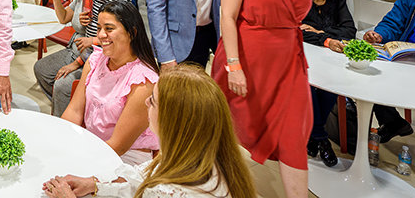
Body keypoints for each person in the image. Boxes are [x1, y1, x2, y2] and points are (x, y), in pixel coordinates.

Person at [212, 0, 312, 198]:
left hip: (289, 65)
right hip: (246, 59)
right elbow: (228, 16)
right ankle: (215, 187)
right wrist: (234, 66)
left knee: (294, 135)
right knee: (228, 130)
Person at [42, 65, 256, 198]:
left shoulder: (171, 191)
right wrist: (95, 185)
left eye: (152, 101)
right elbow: (141, 179)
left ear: (170, 122)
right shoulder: (203, 156)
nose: (146, 102)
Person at [40, 0, 136, 116]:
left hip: (102, 58)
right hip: (85, 53)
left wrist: (88, 44)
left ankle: (68, 118)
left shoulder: (120, 0)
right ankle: (72, 108)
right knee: (42, 69)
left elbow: (118, 40)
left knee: (62, 85)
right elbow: (66, 18)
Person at [61, 1, 159, 165]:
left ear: (132, 32)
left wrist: (79, 160)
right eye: (99, 28)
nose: (100, 35)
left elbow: (118, 146)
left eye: (109, 29)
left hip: (126, 157)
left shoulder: (143, 82)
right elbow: (75, 110)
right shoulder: (95, 60)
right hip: (92, 143)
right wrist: (61, 139)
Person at [362, 0, 415, 143]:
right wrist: (379, 35)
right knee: (369, 73)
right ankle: (392, 122)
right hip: (406, 58)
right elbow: (392, 23)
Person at [301, 0, 356, 167]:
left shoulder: (338, 1)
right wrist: (326, 39)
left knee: (331, 86)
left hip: (331, 61)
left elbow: (349, 31)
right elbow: (298, 32)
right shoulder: (302, 1)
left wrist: (320, 32)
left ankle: (314, 136)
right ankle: (321, 137)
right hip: (306, 60)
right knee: (308, 86)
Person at [32, 0, 90, 116]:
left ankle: (65, 115)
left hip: (86, 58)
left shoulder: (96, 0)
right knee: (40, 69)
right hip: (73, 50)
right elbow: (63, 18)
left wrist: (76, 64)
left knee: (62, 85)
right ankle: (66, 105)